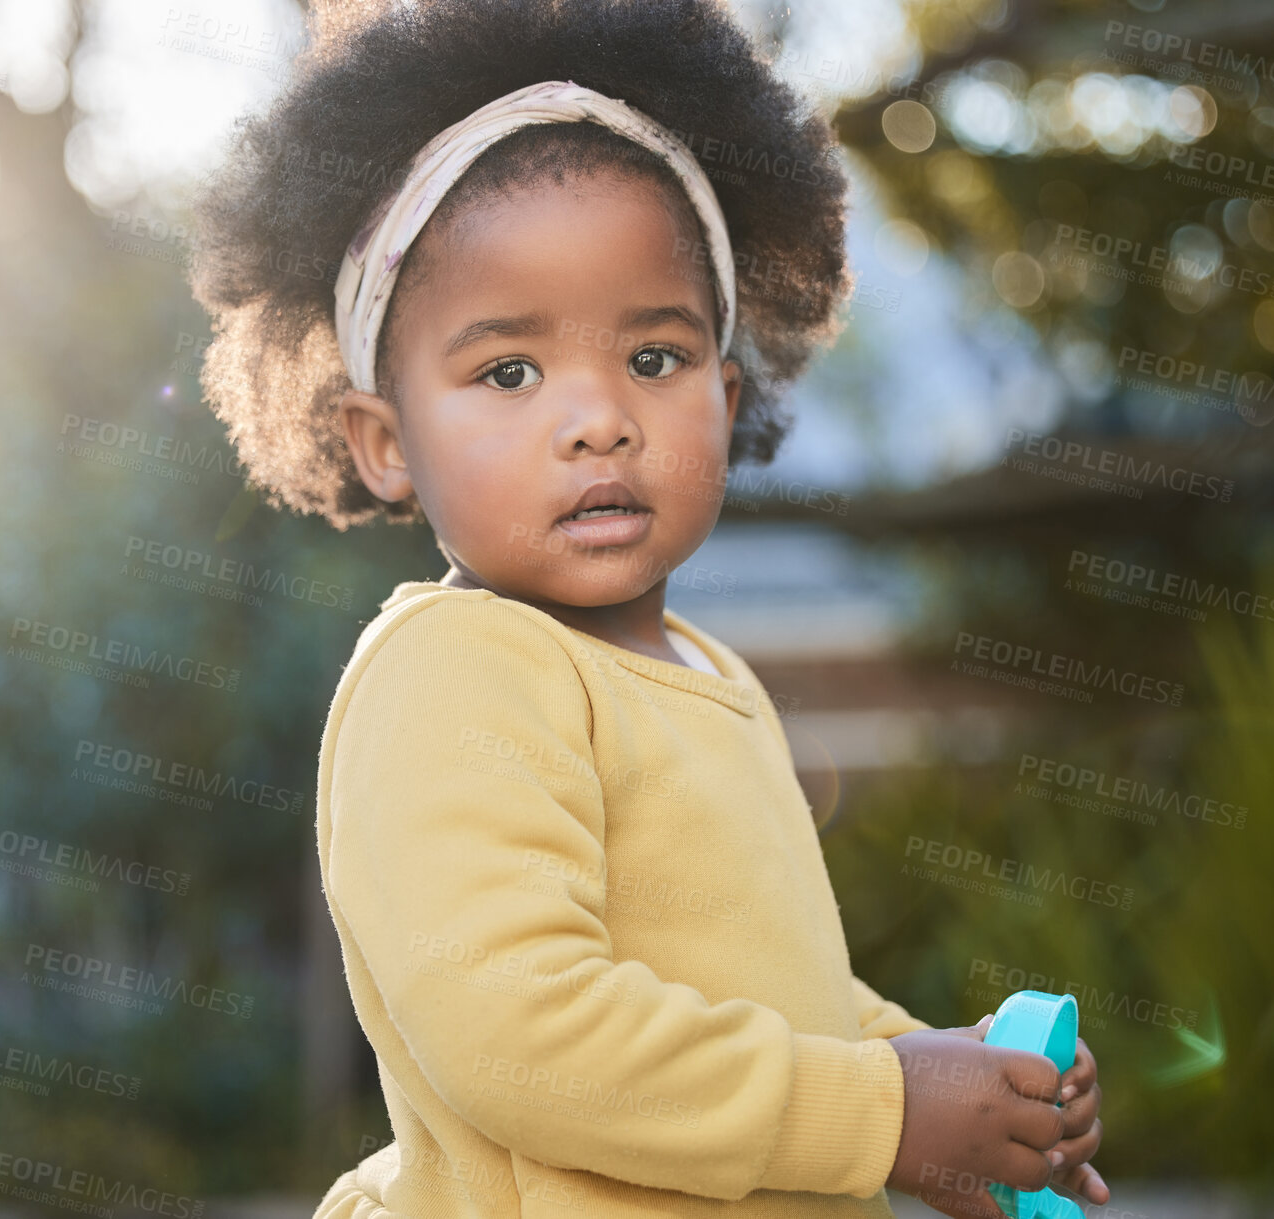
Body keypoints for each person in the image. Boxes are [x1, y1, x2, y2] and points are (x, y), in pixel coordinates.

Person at [187, 2, 1107, 1215]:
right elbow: (521, 1031)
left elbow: (779, 1000)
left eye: (655, 357)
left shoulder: (704, 674)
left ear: (726, 396)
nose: (597, 416)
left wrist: (954, 1082)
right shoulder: (454, 671)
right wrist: (879, 1109)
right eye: (507, 370)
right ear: (382, 440)